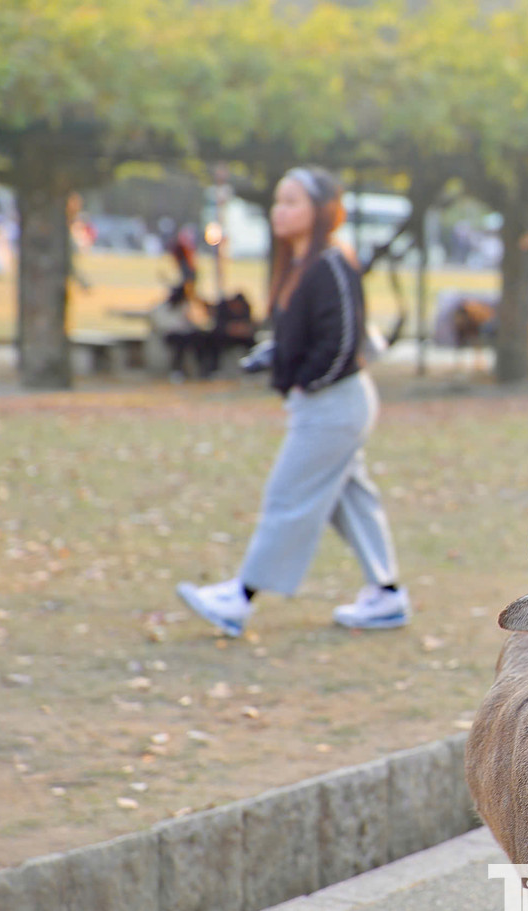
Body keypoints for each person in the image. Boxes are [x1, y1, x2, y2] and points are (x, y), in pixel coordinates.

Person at [176, 166, 409, 636]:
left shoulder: (331, 263)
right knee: (350, 499)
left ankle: (240, 597)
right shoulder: (305, 264)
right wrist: (274, 357)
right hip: (327, 404)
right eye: (278, 201)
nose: (280, 211)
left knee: (289, 497)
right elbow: (307, 333)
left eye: (292, 202)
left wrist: (306, 381)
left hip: (334, 404)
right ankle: (386, 594)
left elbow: (344, 343)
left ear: (322, 211)